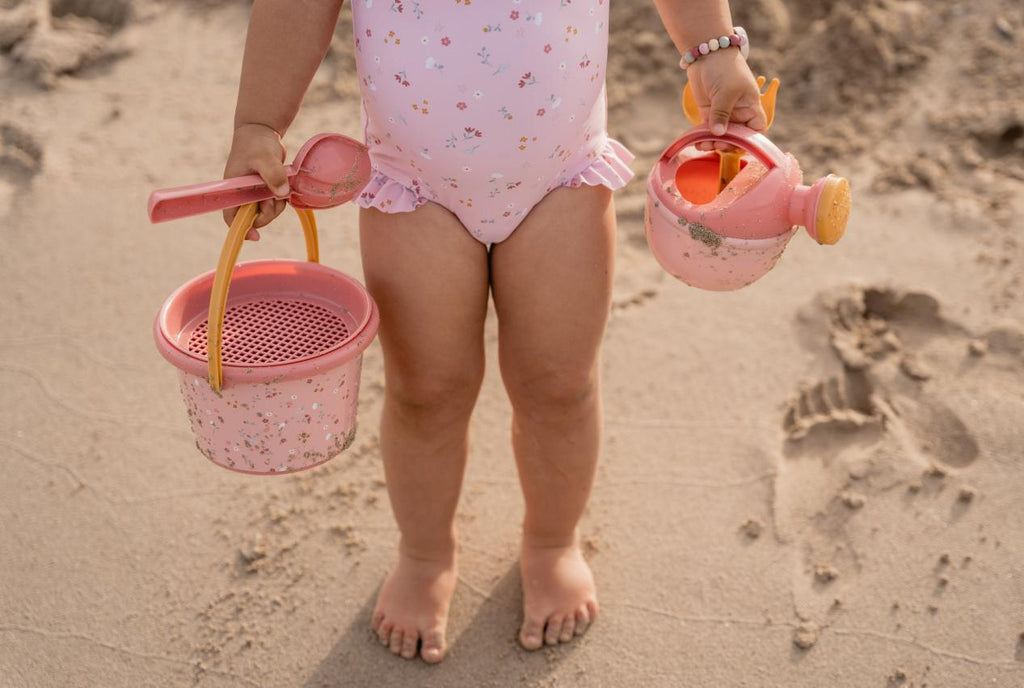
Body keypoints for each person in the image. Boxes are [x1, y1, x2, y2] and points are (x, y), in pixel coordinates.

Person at [223, 0, 766, 664]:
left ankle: (550, 541)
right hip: (415, 185)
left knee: (559, 386)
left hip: (560, 175)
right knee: (426, 391)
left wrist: (714, 52)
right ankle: (424, 553)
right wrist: (259, 122)